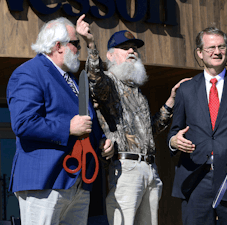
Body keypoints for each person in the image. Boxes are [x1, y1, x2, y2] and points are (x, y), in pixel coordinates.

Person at [76, 14, 190, 225]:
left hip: (150, 169)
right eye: (124, 47)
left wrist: (171, 100)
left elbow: (151, 130)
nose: (131, 51)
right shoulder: (108, 84)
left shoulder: (137, 92)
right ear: (110, 56)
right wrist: (90, 43)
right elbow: (94, 79)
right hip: (125, 169)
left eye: (134, 48)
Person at [6, 17, 114, 225]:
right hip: (45, 181)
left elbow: (85, 123)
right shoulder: (29, 72)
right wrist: (68, 127)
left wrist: (100, 141)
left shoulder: (72, 80)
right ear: (58, 46)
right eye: (76, 44)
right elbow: (23, 123)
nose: (78, 50)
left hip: (78, 182)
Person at [167, 27, 227, 225]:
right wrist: (173, 141)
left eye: (221, 46)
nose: (217, 51)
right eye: (211, 47)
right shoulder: (185, 90)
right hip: (194, 181)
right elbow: (173, 131)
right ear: (199, 53)